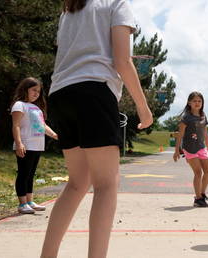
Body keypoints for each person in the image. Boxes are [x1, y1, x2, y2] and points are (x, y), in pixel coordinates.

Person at [41, 0, 153, 257]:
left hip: (61, 93)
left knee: (77, 183)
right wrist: (143, 107)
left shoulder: (70, 9)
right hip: (93, 91)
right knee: (106, 184)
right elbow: (122, 61)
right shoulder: (117, 2)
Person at [11, 77, 58, 214]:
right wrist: (19, 143)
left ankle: (30, 201)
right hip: (26, 145)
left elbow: (42, 126)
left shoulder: (36, 108)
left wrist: (55, 135)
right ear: (25, 89)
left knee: (31, 174)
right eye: (34, 90)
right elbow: (16, 126)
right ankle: (22, 204)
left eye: (38, 91)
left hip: (37, 146)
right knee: (23, 174)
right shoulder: (19, 105)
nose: (36, 93)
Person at [173, 92, 208, 208]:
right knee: (198, 172)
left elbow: (205, 132)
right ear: (189, 102)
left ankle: (201, 193)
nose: (197, 103)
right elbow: (180, 135)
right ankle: (198, 199)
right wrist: (177, 150)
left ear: (202, 103)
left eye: (199, 101)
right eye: (195, 101)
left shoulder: (203, 115)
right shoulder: (186, 118)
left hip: (201, 147)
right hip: (190, 148)